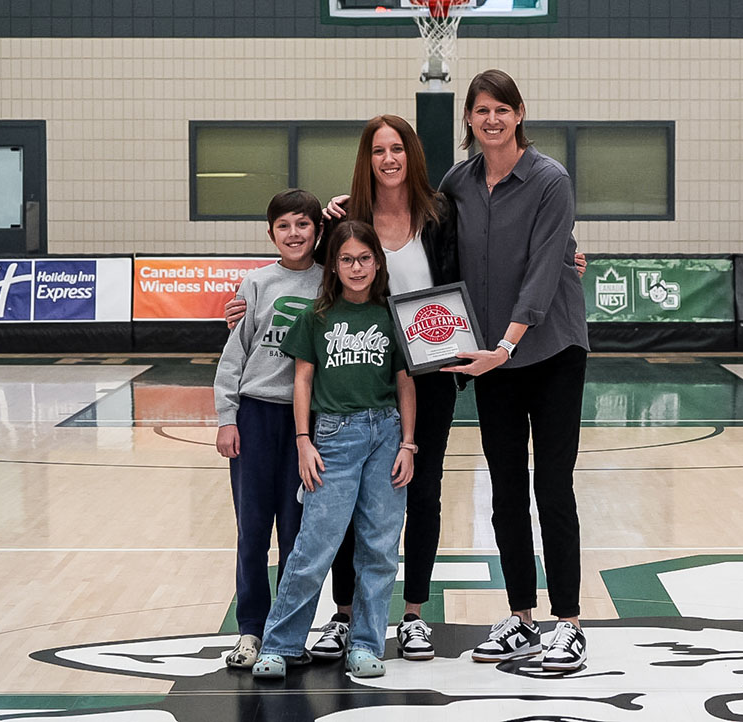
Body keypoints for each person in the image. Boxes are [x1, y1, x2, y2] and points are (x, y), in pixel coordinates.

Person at [226, 114, 587, 662]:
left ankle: (413, 615)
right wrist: (245, 304)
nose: (389, 159)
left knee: (422, 492)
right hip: (354, 373)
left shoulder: (443, 210)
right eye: (378, 151)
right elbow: (304, 276)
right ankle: (344, 617)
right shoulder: (345, 220)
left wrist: (567, 259)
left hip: (428, 371)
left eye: (397, 149)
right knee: (342, 499)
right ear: (366, 160)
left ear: (412, 156)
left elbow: (506, 245)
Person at [439, 69, 591, 671]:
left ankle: (570, 622)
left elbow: (546, 267)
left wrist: (507, 343)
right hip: (488, 358)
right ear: (470, 120)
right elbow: (413, 230)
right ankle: (522, 617)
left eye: (502, 109)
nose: (492, 120)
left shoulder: (551, 179)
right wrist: (340, 212)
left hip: (550, 350)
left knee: (552, 487)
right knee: (504, 490)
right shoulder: (457, 183)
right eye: (481, 110)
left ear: (520, 113)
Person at [252, 220, 416, 680]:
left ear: (377, 263)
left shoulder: (391, 315)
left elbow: (405, 384)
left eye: (365, 258)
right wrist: (304, 441)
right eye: (346, 259)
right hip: (332, 438)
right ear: (334, 266)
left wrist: (408, 443)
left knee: (380, 549)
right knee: (313, 548)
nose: (357, 267)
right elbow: (302, 380)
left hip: (385, 435)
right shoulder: (316, 315)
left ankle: (365, 644)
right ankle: (280, 645)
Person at [212, 189, 325, 669]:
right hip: (257, 417)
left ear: (318, 231)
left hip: (310, 421)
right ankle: (250, 630)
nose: (294, 234)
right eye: (284, 226)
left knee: (299, 534)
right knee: (253, 530)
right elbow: (234, 356)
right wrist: (226, 417)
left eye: (303, 224)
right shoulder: (255, 284)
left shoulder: (332, 282)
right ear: (271, 233)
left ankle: (289, 631)